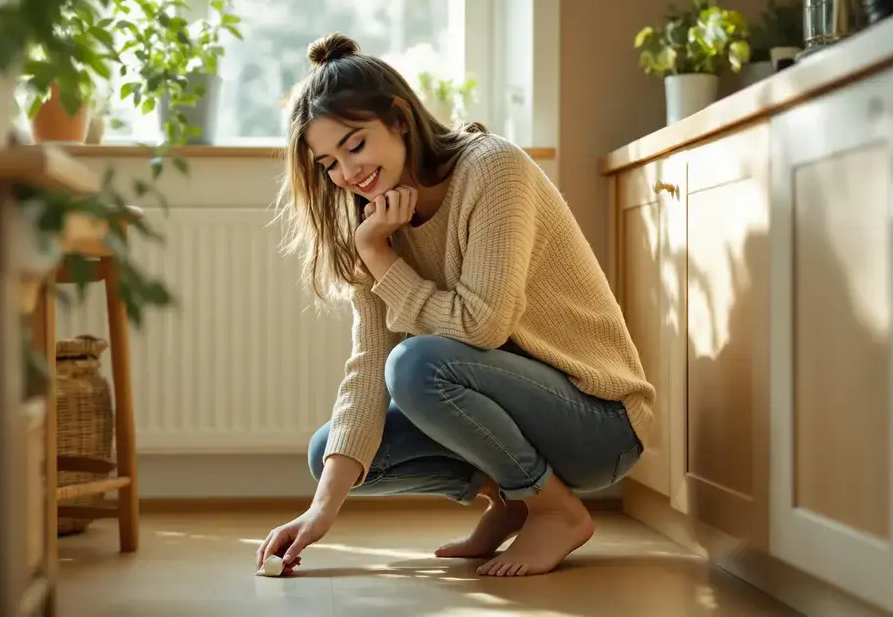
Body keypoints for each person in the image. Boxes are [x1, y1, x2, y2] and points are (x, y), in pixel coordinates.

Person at [257, 33, 655, 578]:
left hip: (597, 419)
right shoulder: (371, 222)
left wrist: (382, 259)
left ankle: (555, 511)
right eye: (328, 163)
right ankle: (511, 499)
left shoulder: (492, 168)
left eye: (355, 146)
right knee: (334, 452)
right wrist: (321, 511)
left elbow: (483, 326)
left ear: (399, 119)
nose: (347, 174)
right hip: (520, 412)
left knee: (417, 365)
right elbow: (368, 367)